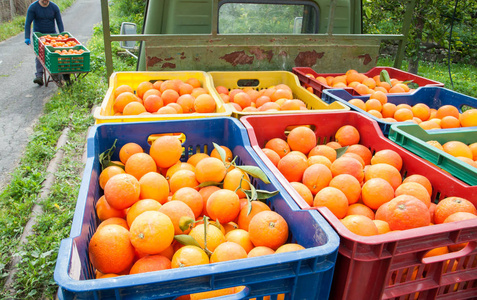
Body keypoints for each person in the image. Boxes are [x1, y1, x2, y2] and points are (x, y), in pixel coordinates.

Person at [24, 0, 64, 86]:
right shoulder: (33, 7)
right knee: (40, 54)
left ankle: (56, 74)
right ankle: (39, 76)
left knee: (54, 54)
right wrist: (27, 37)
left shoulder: (54, 7)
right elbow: (28, 23)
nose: (45, 1)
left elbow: (59, 22)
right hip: (39, 35)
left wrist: (62, 34)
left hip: (52, 35)